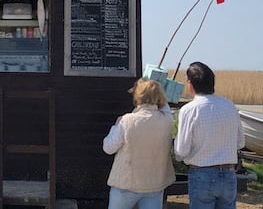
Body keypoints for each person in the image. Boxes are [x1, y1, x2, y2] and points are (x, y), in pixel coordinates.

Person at [174, 61, 245, 209]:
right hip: (228, 173)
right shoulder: (229, 105)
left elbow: (181, 151)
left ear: (191, 84)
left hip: (201, 174)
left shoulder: (189, 110)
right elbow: (240, 142)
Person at [103, 79, 175, 209]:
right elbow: (165, 107)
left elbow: (108, 148)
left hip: (126, 184)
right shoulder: (167, 119)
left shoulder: (127, 120)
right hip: (154, 184)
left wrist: (115, 126)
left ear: (137, 96)